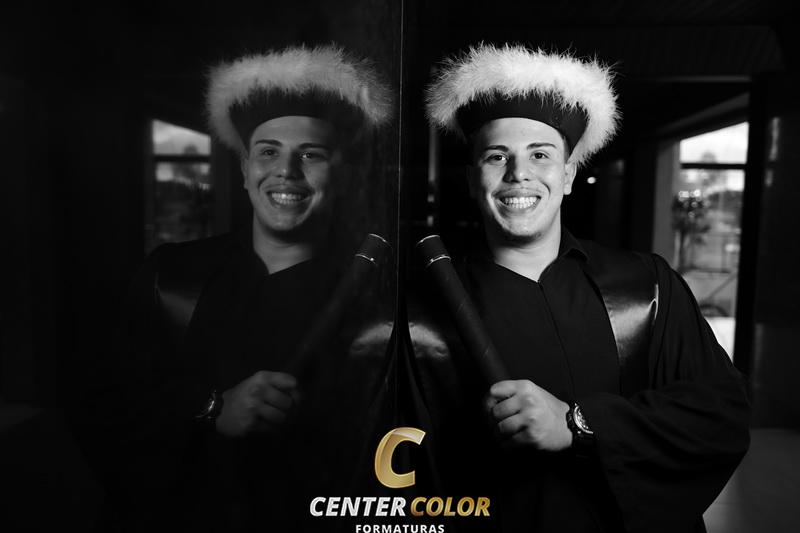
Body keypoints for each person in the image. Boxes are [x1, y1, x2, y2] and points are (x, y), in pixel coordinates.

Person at [416, 44, 750, 533]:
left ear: (569, 174)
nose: (519, 174)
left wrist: (579, 424)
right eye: (496, 156)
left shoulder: (647, 288)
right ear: (472, 179)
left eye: (540, 155)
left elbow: (721, 415)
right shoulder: (423, 310)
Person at [104, 45, 393, 532]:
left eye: (311, 155)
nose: (287, 171)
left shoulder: (373, 297)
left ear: (341, 176)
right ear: (244, 170)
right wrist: (212, 407)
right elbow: (113, 405)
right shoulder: (172, 274)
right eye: (268, 151)